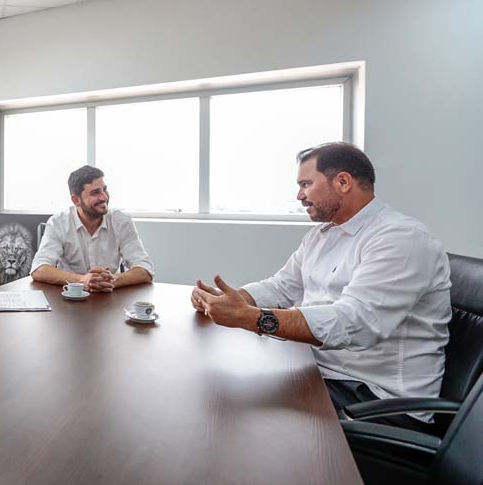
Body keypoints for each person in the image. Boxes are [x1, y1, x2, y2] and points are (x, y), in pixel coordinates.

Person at [191, 142, 450, 430]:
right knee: (215, 386)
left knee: (239, 417)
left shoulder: (401, 238)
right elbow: (282, 286)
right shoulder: (322, 236)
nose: (299, 195)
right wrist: (232, 299)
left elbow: (356, 322)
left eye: (305, 184)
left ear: (342, 181)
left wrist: (252, 318)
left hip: (374, 398)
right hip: (321, 371)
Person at [31, 165, 154, 292]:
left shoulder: (121, 221)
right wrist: (81, 280)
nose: (104, 197)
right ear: (76, 200)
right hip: (70, 298)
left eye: (104, 189)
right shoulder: (58, 223)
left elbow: (145, 269)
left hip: (110, 298)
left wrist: (111, 280)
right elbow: (39, 269)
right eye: (95, 193)